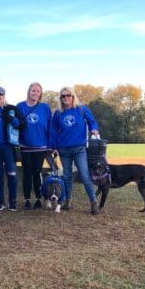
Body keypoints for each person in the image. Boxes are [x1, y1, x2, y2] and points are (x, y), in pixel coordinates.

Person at [51, 86, 100, 215]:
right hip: (63, 150)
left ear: (73, 96)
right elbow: (53, 131)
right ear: (60, 99)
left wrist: (94, 129)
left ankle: (93, 202)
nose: (66, 98)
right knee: (67, 176)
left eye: (68, 95)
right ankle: (68, 200)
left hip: (79, 148)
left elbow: (92, 122)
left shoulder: (82, 109)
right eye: (63, 96)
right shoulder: (58, 113)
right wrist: (54, 146)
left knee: (84, 175)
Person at [0, 86, 25, 211]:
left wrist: (13, 120)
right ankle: (0, 201)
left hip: (8, 147)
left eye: (0, 95)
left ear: (4, 97)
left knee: (12, 175)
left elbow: (23, 124)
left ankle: (12, 201)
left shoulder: (11, 109)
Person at [17, 83, 52, 210]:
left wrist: (51, 144)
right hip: (25, 145)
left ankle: (38, 198)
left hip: (41, 146)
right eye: (33, 91)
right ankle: (26, 199)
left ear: (40, 94)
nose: (35, 93)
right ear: (29, 91)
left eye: (38, 91)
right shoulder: (20, 106)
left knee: (37, 173)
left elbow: (50, 126)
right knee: (26, 173)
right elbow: (16, 124)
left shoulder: (45, 107)